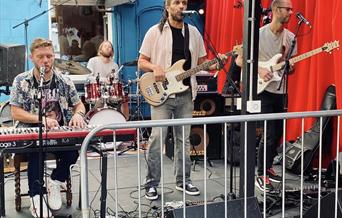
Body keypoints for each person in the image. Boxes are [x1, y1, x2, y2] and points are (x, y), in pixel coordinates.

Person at [138, 0, 224, 200]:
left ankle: (184, 181)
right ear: (167, 7)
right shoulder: (154, 32)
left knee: (183, 141)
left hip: (185, 94)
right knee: (158, 138)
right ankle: (151, 183)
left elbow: (202, 64)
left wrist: (216, 64)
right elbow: (142, 61)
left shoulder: (193, 32)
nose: (181, 6)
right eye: (177, 2)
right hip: (161, 95)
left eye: (184, 2)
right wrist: (155, 68)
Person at [10, 38, 86, 217]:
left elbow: (79, 105)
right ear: (31, 57)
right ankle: (36, 196)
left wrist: (78, 114)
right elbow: (15, 112)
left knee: (73, 150)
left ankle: (55, 180)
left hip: (58, 132)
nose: (46, 60)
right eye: (41, 56)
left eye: (49, 56)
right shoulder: (21, 80)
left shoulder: (64, 80)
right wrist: (40, 119)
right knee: (37, 151)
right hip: (30, 132)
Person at [254, 0, 296, 191]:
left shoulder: (290, 38)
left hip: (281, 90)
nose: (291, 12)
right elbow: (242, 60)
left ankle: (268, 166)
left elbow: (290, 67)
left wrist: (291, 67)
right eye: (287, 9)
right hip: (263, 90)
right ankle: (260, 173)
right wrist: (260, 70)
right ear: (275, 10)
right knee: (269, 134)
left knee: (278, 133)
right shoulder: (259, 34)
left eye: (291, 9)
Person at [86, 40, 129, 119]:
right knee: (99, 104)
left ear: (112, 51)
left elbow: (116, 81)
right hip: (97, 93)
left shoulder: (114, 65)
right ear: (100, 49)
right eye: (105, 46)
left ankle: (123, 122)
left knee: (124, 99)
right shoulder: (93, 61)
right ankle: (97, 122)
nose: (107, 48)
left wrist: (112, 81)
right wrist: (103, 80)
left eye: (110, 47)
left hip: (111, 93)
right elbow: (88, 77)